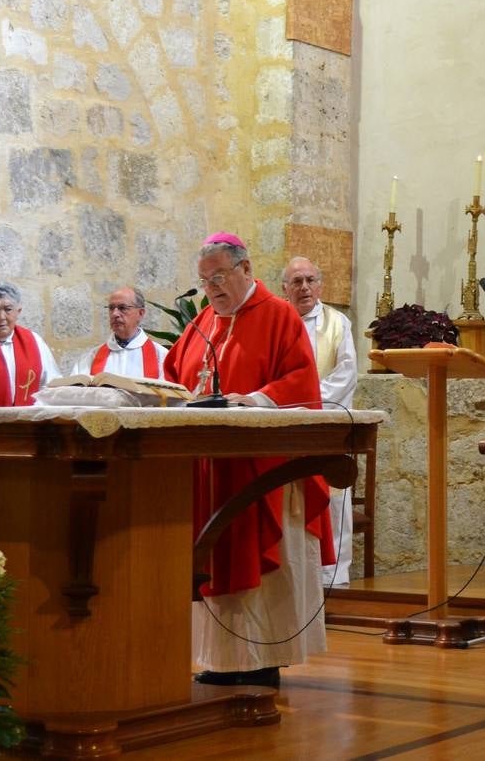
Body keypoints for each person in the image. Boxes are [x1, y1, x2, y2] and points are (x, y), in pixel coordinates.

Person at [163, 233, 334, 688]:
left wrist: (255, 399)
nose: (212, 287)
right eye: (205, 280)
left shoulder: (279, 316)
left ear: (245, 269)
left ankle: (261, 661)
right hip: (212, 468)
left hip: (263, 470)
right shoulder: (201, 323)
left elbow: (302, 379)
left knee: (258, 565)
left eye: (219, 276)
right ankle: (221, 660)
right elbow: (173, 382)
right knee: (213, 560)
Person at [281, 256, 359, 588]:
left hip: (325, 426)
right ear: (284, 289)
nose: (304, 287)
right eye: (296, 282)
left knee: (333, 496)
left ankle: (333, 576)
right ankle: (293, 574)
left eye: (310, 280)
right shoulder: (277, 324)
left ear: (320, 285)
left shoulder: (338, 323)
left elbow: (346, 375)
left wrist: (306, 402)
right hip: (284, 428)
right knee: (288, 498)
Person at [71, 286, 168, 379]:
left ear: (141, 313)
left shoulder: (161, 357)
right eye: (111, 308)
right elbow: (74, 392)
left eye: (123, 308)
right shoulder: (91, 358)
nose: (115, 314)